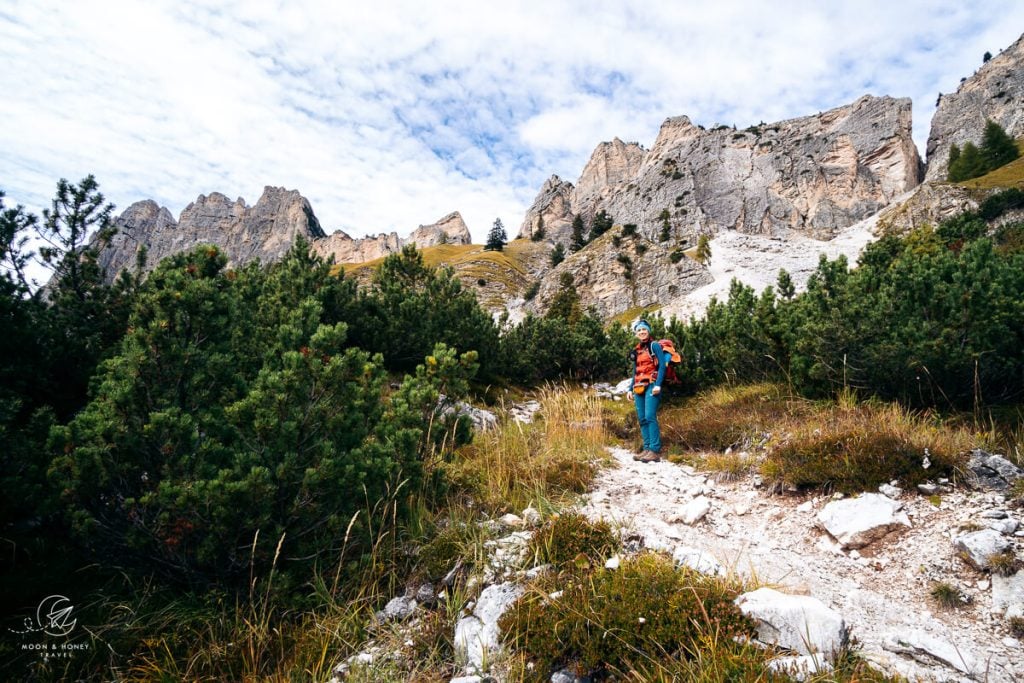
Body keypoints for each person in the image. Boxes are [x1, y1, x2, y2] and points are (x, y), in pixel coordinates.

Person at [627, 319, 671, 462]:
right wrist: (629, 389)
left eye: (644, 329)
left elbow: (662, 367)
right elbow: (635, 371)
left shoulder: (654, 345)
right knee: (642, 418)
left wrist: (658, 384)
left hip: (652, 385)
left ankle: (655, 450)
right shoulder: (637, 349)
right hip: (638, 387)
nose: (641, 332)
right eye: (639, 330)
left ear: (648, 330)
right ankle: (646, 449)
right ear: (636, 333)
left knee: (650, 416)